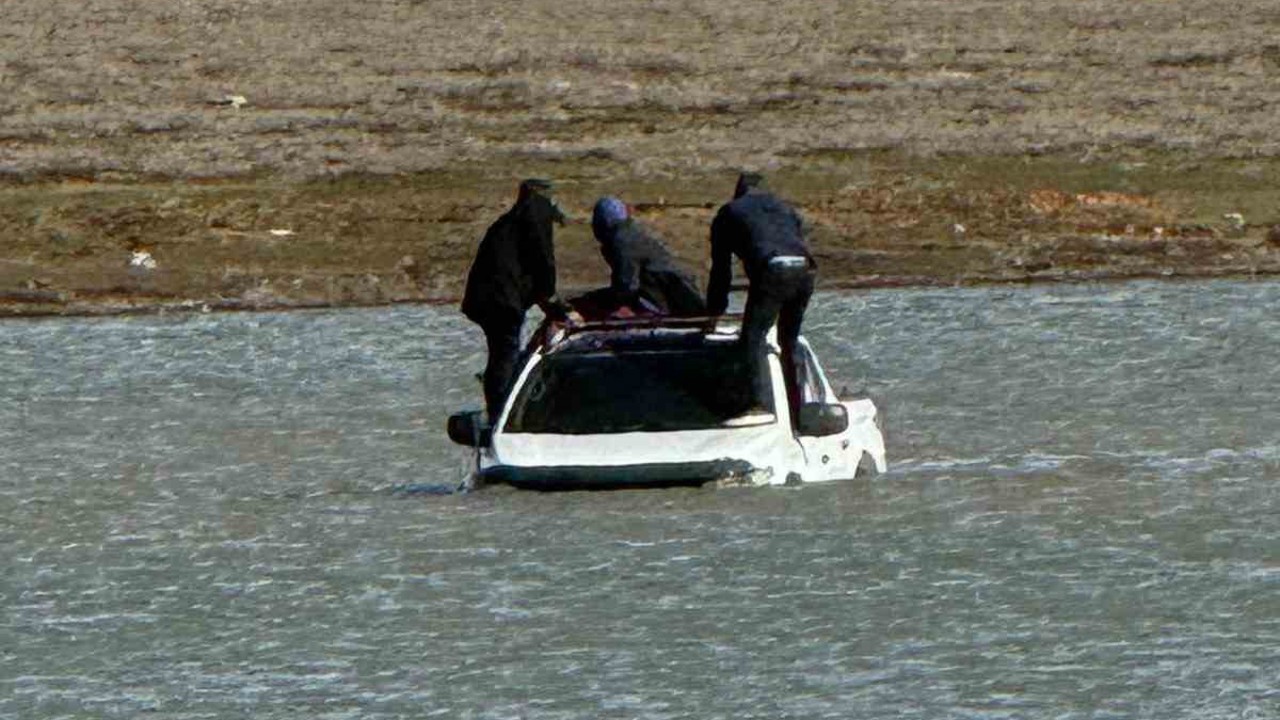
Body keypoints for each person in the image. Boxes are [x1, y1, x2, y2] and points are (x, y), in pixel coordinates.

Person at [705, 172, 816, 422]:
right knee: (789, 341)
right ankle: (799, 409)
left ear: (738, 192)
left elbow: (721, 273)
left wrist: (713, 314)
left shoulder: (728, 214)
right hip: (805, 269)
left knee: (753, 340)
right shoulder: (785, 209)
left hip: (773, 268)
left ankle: (753, 404)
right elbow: (795, 242)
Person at [461, 178, 573, 423]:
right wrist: (551, 300)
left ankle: (499, 405)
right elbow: (542, 262)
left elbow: (524, 270)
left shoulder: (510, 223)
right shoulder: (535, 217)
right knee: (505, 353)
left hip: (489, 299)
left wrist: (546, 299)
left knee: (501, 353)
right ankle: (502, 412)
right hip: (500, 301)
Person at [587, 196, 706, 318]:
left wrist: (616, 306)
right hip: (677, 290)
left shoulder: (622, 241)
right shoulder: (633, 233)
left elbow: (627, 284)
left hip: (668, 297)